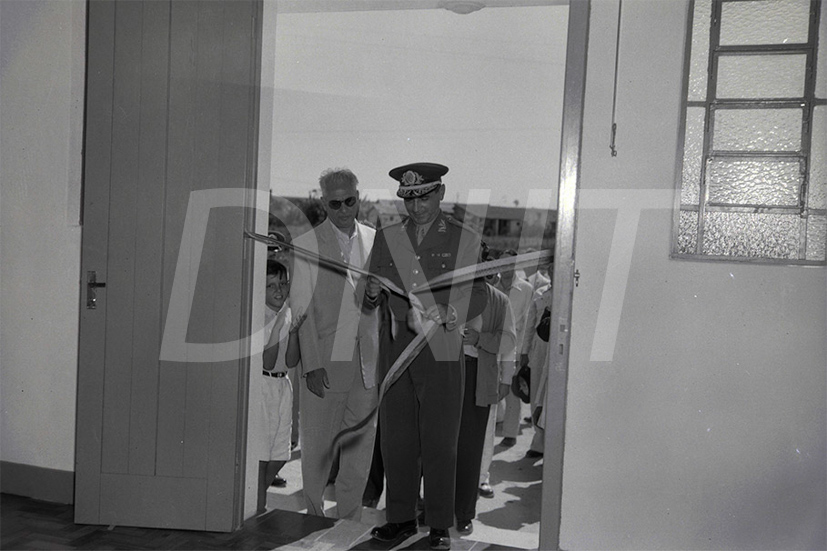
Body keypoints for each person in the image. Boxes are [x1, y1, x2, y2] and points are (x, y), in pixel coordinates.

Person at [365, 162, 487, 550]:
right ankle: (399, 518)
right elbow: (370, 295)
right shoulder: (387, 237)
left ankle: (438, 524)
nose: (416, 207)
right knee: (397, 441)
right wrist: (368, 294)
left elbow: (478, 293)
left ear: (441, 193)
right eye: (409, 198)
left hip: (441, 350)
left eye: (424, 196)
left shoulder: (462, 237)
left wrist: (452, 312)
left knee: (439, 442)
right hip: (397, 351)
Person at [289, 168, 379, 521]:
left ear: (359, 196)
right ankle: (312, 517)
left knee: (359, 451)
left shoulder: (375, 240)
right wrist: (310, 364)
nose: (344, 209)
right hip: (324, 363)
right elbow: (301, 309)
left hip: (366, 364)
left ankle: (349, 521)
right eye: (335, 203)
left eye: (350, 201)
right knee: (318, 451)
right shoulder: (306, 245)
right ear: (323, 202)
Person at [454, 257, 516, 536]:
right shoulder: (450, 295)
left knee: (470, 451)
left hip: (479, 378)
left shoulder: (500, 301)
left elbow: (508, 341)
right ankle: (433, 509)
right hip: (447, 378)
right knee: (439, 449)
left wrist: (480, 340)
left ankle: (464, 513)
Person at [258, 260, 303, 514]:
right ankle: (257, 508)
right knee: (262, 455)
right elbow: (267, 360)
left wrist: (293, 332)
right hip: (263, 386)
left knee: (280, 454)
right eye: (270, 285)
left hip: (282, 386)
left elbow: (290, 361)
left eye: (283, 284)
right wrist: (277, 328)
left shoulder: (286, 314)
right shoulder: (262, 316)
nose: (279, 290)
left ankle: (256, 499)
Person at [521, 281, 553, 458]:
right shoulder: (540, 293)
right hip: (540, 347)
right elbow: (530, 324)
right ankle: (539, 440)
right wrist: (525, 352)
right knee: (537, 395)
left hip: (561, 347)